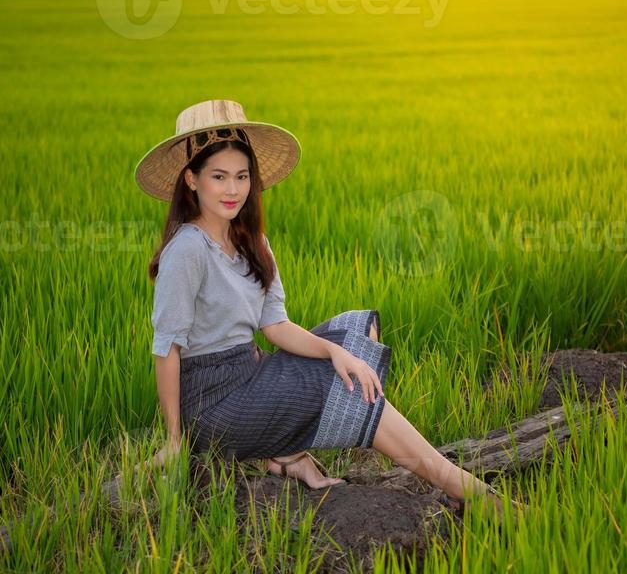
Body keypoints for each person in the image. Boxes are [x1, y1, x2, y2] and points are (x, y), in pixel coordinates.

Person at [133, 99, 525, 522]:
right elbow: (166, 347)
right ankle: (470, 491)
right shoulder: (188, 249)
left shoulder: (253, 244)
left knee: (353, 336)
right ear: (191, 180)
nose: (233, 190)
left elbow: (276, 325)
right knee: (346, 385)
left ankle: (285, 452)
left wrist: (337, 353)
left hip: (252, 373)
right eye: (219, 177)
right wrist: (175, 438)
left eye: (242, 176)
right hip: (212, 404)